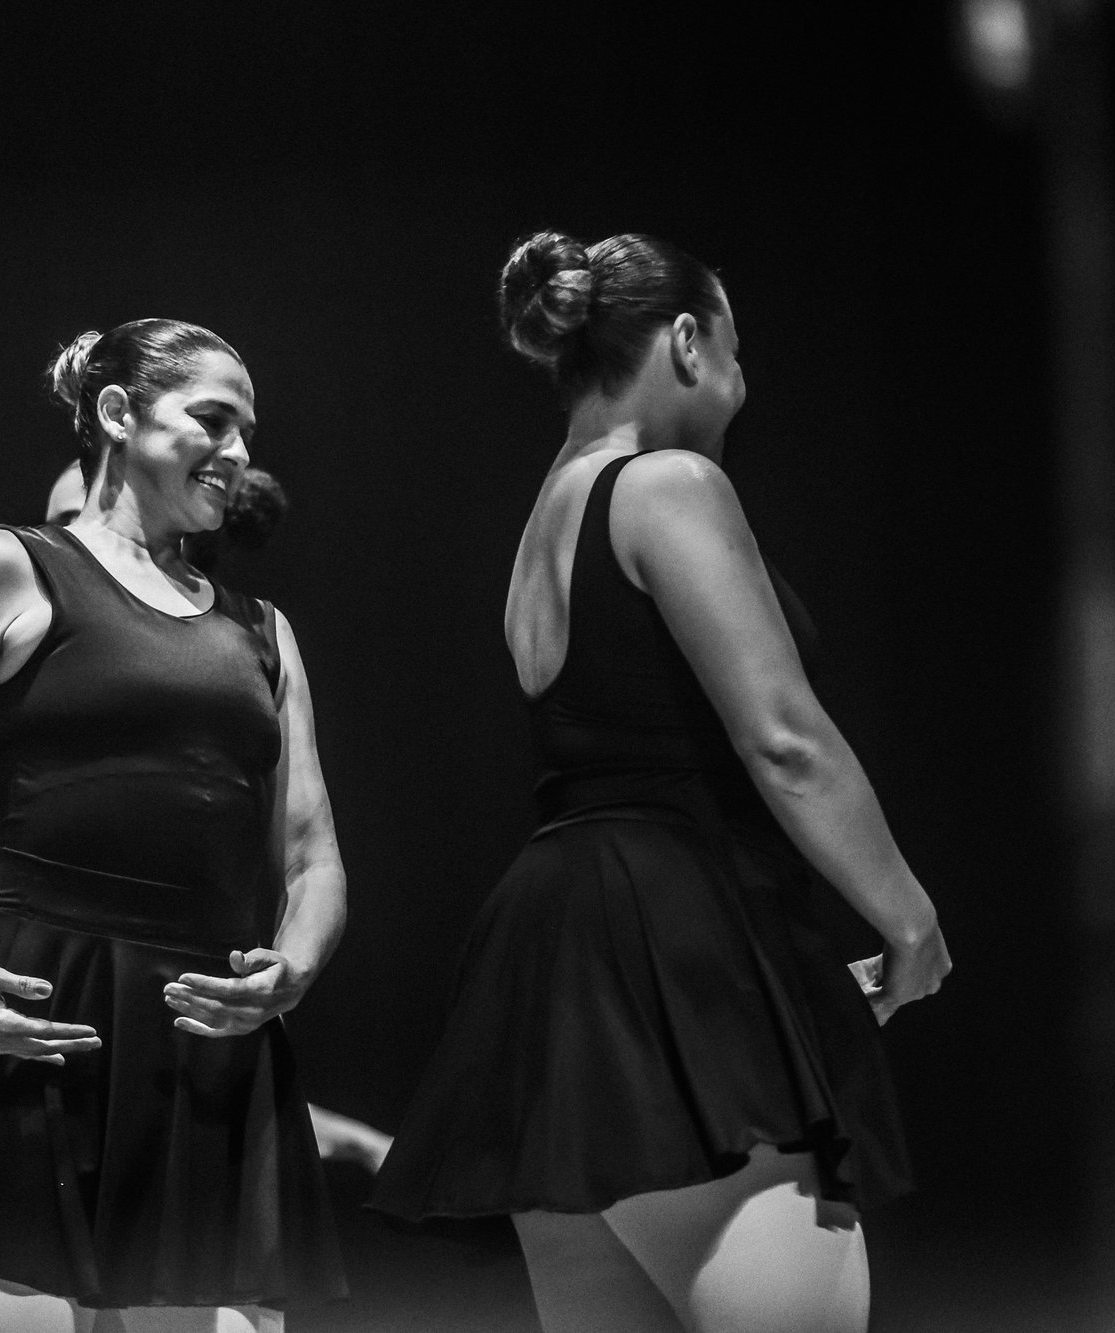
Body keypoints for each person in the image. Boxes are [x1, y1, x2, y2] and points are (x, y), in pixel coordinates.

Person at [368, 233, 952, 1333]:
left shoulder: (545, 516)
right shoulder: (668, 485)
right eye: (735, 346)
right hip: (674, 952)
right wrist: (907, 917)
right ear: (686, 341)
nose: (742, 377)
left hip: (553, 961)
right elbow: (784, 738)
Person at [0, 319, 350, 1331]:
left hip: (198, 1027)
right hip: (33, 1011)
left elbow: (312, 852)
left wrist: (294, 966)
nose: (238, 451)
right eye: (212, 419)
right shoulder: (13, 568)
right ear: (117, 414)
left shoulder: (262, 631)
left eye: (247, 431)